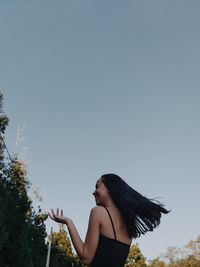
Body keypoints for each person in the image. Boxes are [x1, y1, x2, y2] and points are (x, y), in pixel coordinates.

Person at [49, 173, 169, 267]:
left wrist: (68, 222)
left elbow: (86, 257)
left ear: (110, 188)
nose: (93, 192)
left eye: (97, 186)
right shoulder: (129, 224)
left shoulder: (98, 212)